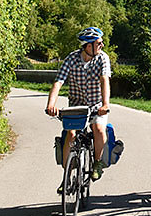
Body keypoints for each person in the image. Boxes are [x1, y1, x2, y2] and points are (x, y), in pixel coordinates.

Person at [46, 26, 111, 191]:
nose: (102, 45)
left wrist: (105, 104)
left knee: (99, 129)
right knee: (71, 134)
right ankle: (66, 177)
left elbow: (104, 80)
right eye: (98, 43)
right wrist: (50, 105)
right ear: (88, 46)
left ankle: (97, 163)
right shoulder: (71, 59)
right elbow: (58, 82)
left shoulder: (102, 58)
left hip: (97, 105)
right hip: (77, 106)